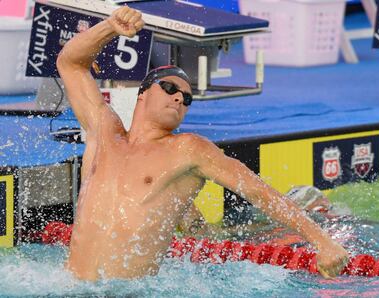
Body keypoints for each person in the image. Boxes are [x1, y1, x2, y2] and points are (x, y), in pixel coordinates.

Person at [56, 6, 348, 281]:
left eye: (187, 98)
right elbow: (70, 64)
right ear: (141, 95)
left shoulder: (187, 148)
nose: (179, 98)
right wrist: (110, 27)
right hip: (72, 287)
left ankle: (315, 212)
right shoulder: (105, 134)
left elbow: (257, 192)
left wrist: (322, 242)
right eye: (170, 88)